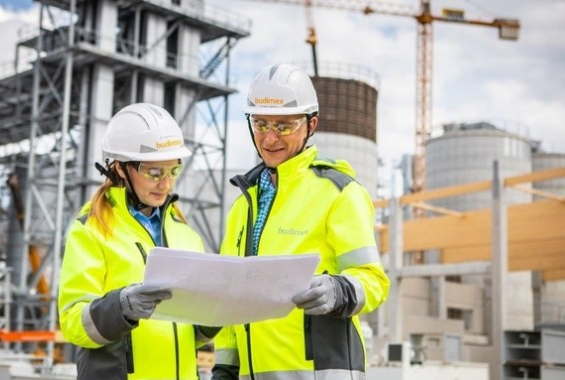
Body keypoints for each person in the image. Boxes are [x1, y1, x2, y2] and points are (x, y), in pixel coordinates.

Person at [211, 63, 390, 379]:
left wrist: (336, 290)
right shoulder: (242, 206)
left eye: (284, 126)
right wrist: (226, 366)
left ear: (311, 124)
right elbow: (231, 296)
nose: (269, 138)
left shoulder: (339, 192)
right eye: (260, 123)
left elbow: (374, 281)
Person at [59, 103, 220, 379]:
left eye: (173, 171)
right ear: (121, 168)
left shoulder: (187, 236)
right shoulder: (92, 230)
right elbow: (73, 323)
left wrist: (214, 317)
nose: (166, 184)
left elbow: (187, 336)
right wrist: (120, 307)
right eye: (154, 173)